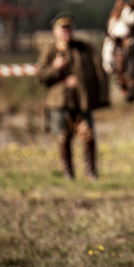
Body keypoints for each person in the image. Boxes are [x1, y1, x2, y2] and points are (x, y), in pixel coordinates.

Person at [37, 14, 109, 180]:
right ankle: (68, 173)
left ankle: (91, 173)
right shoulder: (50, 50)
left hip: (82, 102)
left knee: (88, 136)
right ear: (55, 31)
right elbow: (40, 76)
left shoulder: (84, 48)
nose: (66, 32)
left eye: (69, 28)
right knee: (63, 137)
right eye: (63, 29)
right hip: (59, 103)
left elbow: (99, 71)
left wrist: (100, 96)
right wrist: (56, 69)